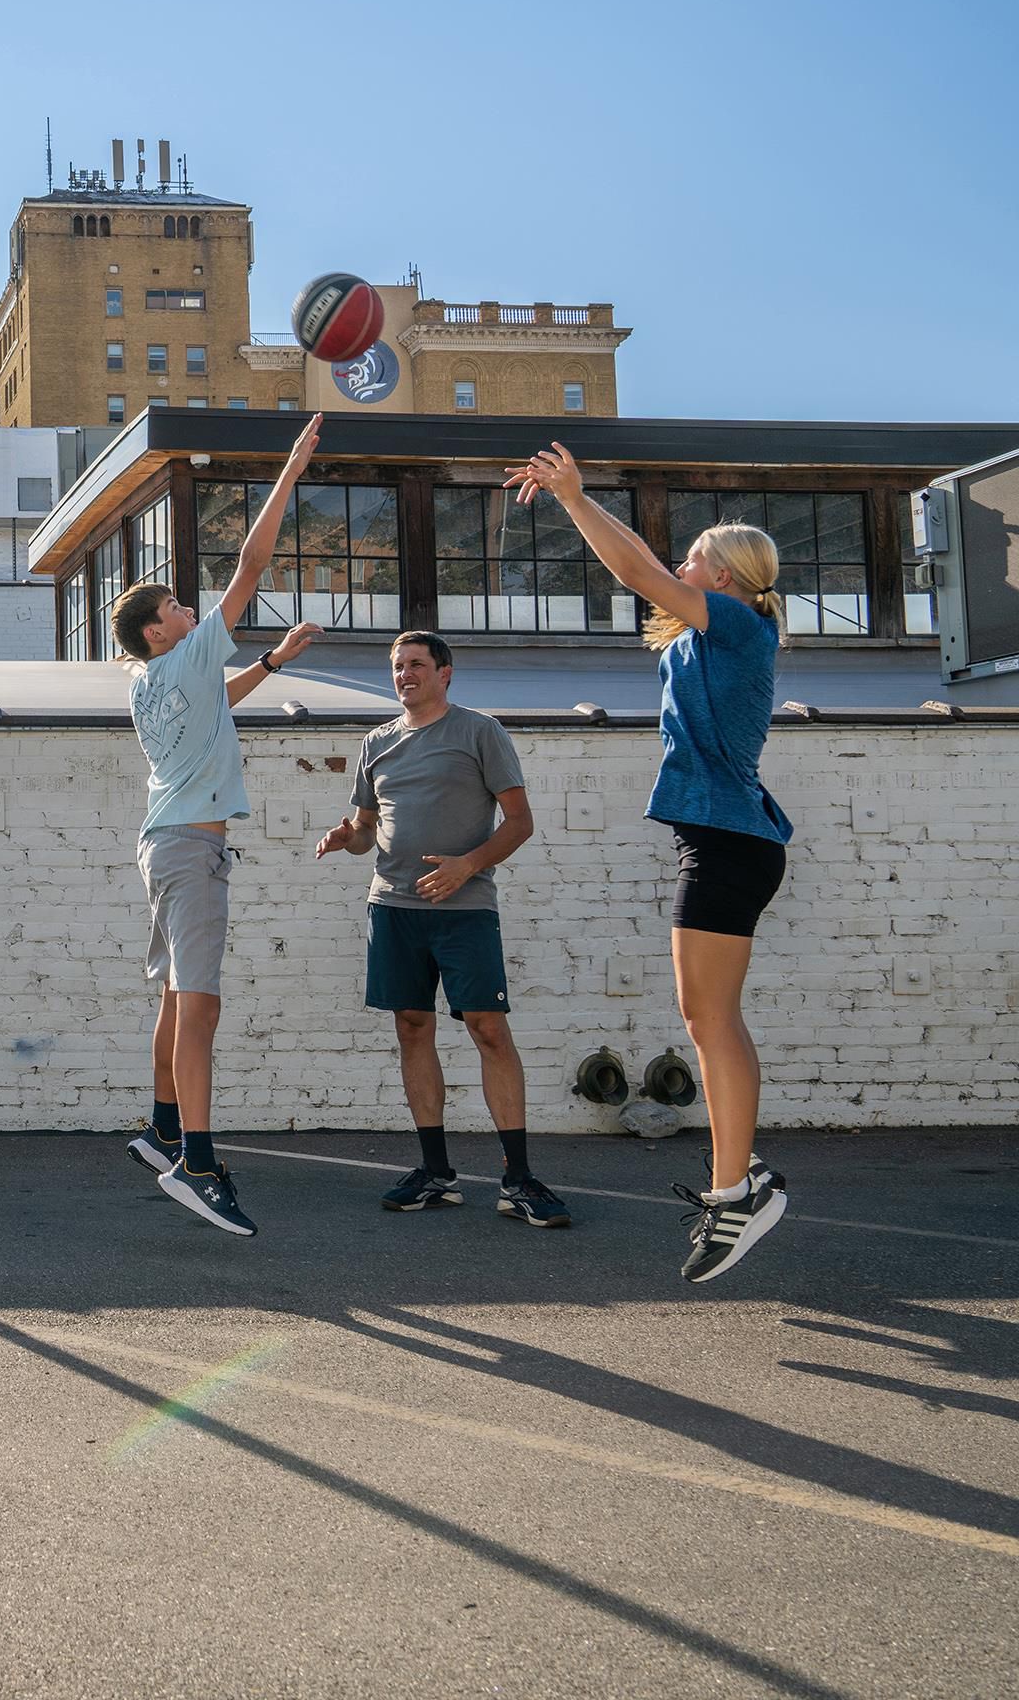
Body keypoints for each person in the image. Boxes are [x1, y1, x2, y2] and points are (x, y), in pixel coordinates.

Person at [506, 442, 791, 1283]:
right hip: (718, 843)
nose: (679, 564)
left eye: (694, 559)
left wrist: (573, 498)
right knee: (707, 1019)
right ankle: (741, 1183)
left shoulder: (741, 625)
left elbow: (634, 571)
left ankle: (737, 1190)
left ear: (727, 578)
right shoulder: (702, 641)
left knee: (709, 1021)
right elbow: (648, 583)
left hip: (731, 845)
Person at [116, 413, 323, 1236]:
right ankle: (197, 1164)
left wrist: (271, 664)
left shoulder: (150, 683)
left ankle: (163, 1126)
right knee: (200, 1007)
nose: (186, 604)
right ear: (158, 629)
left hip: (163, 845)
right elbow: (252, 561)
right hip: (189, 853)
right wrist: (293, 466)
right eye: (174, 602)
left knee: (176, 997)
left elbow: (215, 707)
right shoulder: (190, 651)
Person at [316, 632, 571, 1229]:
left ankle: (519, 1177)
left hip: (465, 910)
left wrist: (468, 866)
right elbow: (363, 831)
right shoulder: (376, 743)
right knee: (412, 1028)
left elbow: (520, 822)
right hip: (394, 908)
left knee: (487, 1029)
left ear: (445, 673)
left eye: (416, 665)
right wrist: (344, 838)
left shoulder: (480, 731)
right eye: (397, 667)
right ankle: (436, 1173)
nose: (405, 675)